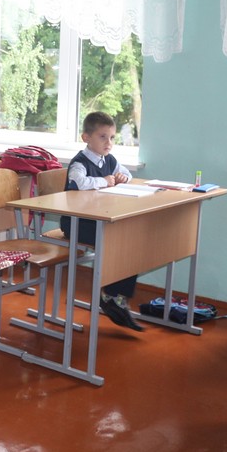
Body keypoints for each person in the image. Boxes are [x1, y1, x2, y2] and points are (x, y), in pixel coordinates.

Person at [61, 111, 142, 331]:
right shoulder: (80, 162)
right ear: (86, 137)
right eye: (103, 137)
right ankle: (110, 296)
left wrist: (123, 177)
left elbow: (126, 174)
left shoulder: (109, 160)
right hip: (77, 223)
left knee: (131, 239)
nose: (109, 143)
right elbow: (78, 182)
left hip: (98, 220)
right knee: (119, 240)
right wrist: (104, 181)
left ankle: (116, 297)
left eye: (112, 137)